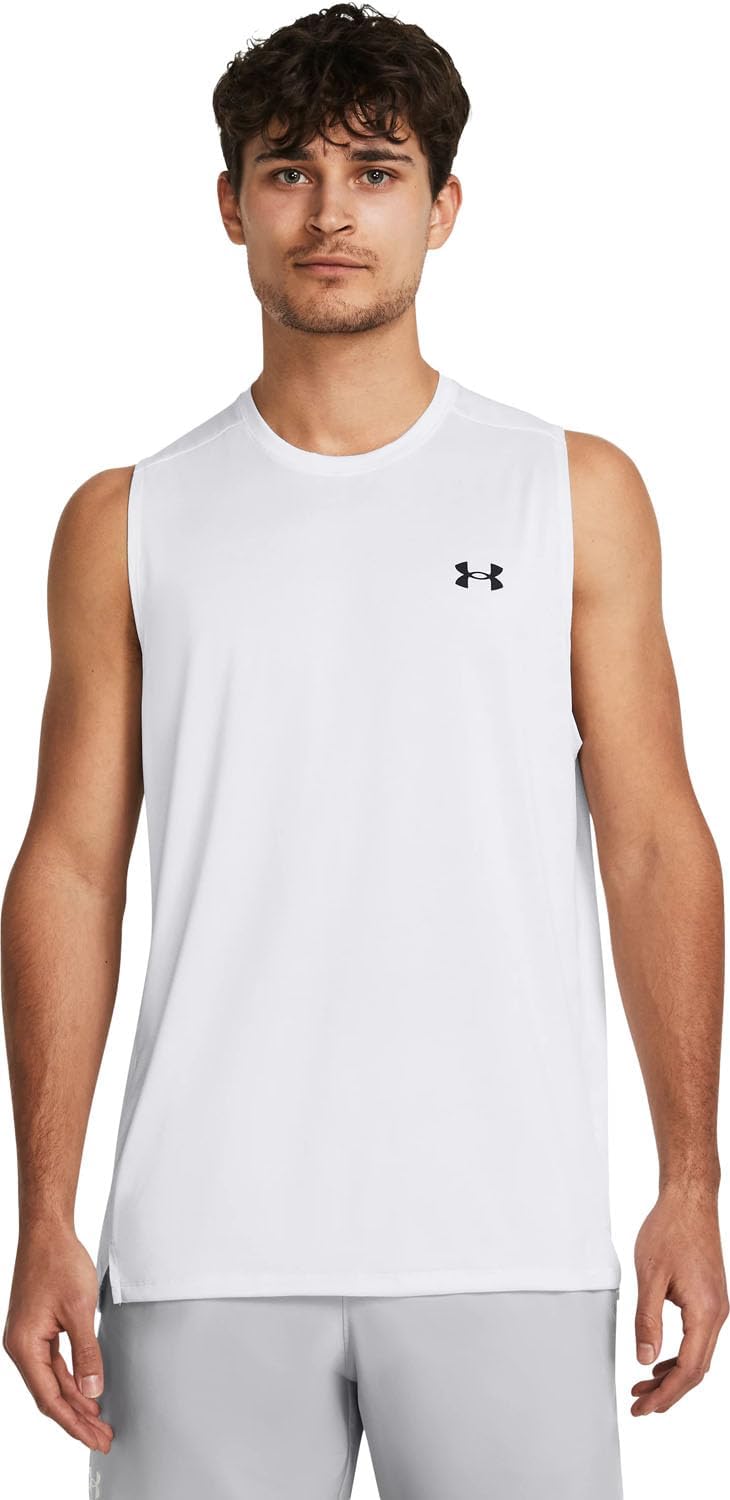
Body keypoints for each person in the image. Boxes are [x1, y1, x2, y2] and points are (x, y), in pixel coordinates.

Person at [2, 4, 727, 1497]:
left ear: (442, 207)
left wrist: (689, 1179)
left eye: (376, 171)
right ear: (230, 206)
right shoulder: (127, 519)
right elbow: (69, 867)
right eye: (288, 171)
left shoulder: (569, 491)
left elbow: (655, 840)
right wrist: (45, 1213)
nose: (330, 213)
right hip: (198, 1245)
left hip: (507, 1235)